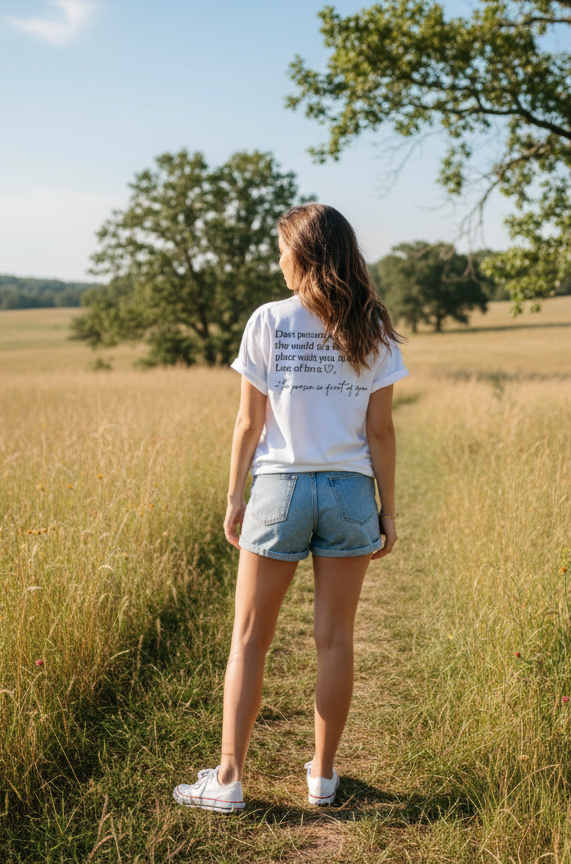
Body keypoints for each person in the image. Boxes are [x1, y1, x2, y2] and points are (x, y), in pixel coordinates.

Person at [173, 203, 408, 812]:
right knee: (335, 640)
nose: (277, 260)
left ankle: (227, 780)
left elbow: (249, 422)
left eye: (282, 248)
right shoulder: (373, 327)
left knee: (250, 638)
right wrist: (387, 507)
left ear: (303, 254)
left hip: (279, 488)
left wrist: (234, 494)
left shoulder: (268, 321)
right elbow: (380, 432)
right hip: (351, 491)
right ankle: (324, 778)